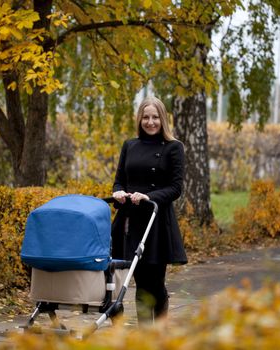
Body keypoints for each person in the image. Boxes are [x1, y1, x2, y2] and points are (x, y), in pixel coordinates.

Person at [111, 96, 187, 324]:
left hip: (155, 221)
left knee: (155, 283)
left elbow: (176, 188)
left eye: (155, 117)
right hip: (130, 222)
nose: (150, 122)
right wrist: (118, 194)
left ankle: (161, 327)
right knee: (140, 282)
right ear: (139, 119)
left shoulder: (174, 148)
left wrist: (149, 196)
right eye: (146, 117)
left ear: (162, 119)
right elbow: (119, 181)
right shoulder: (130, 145)